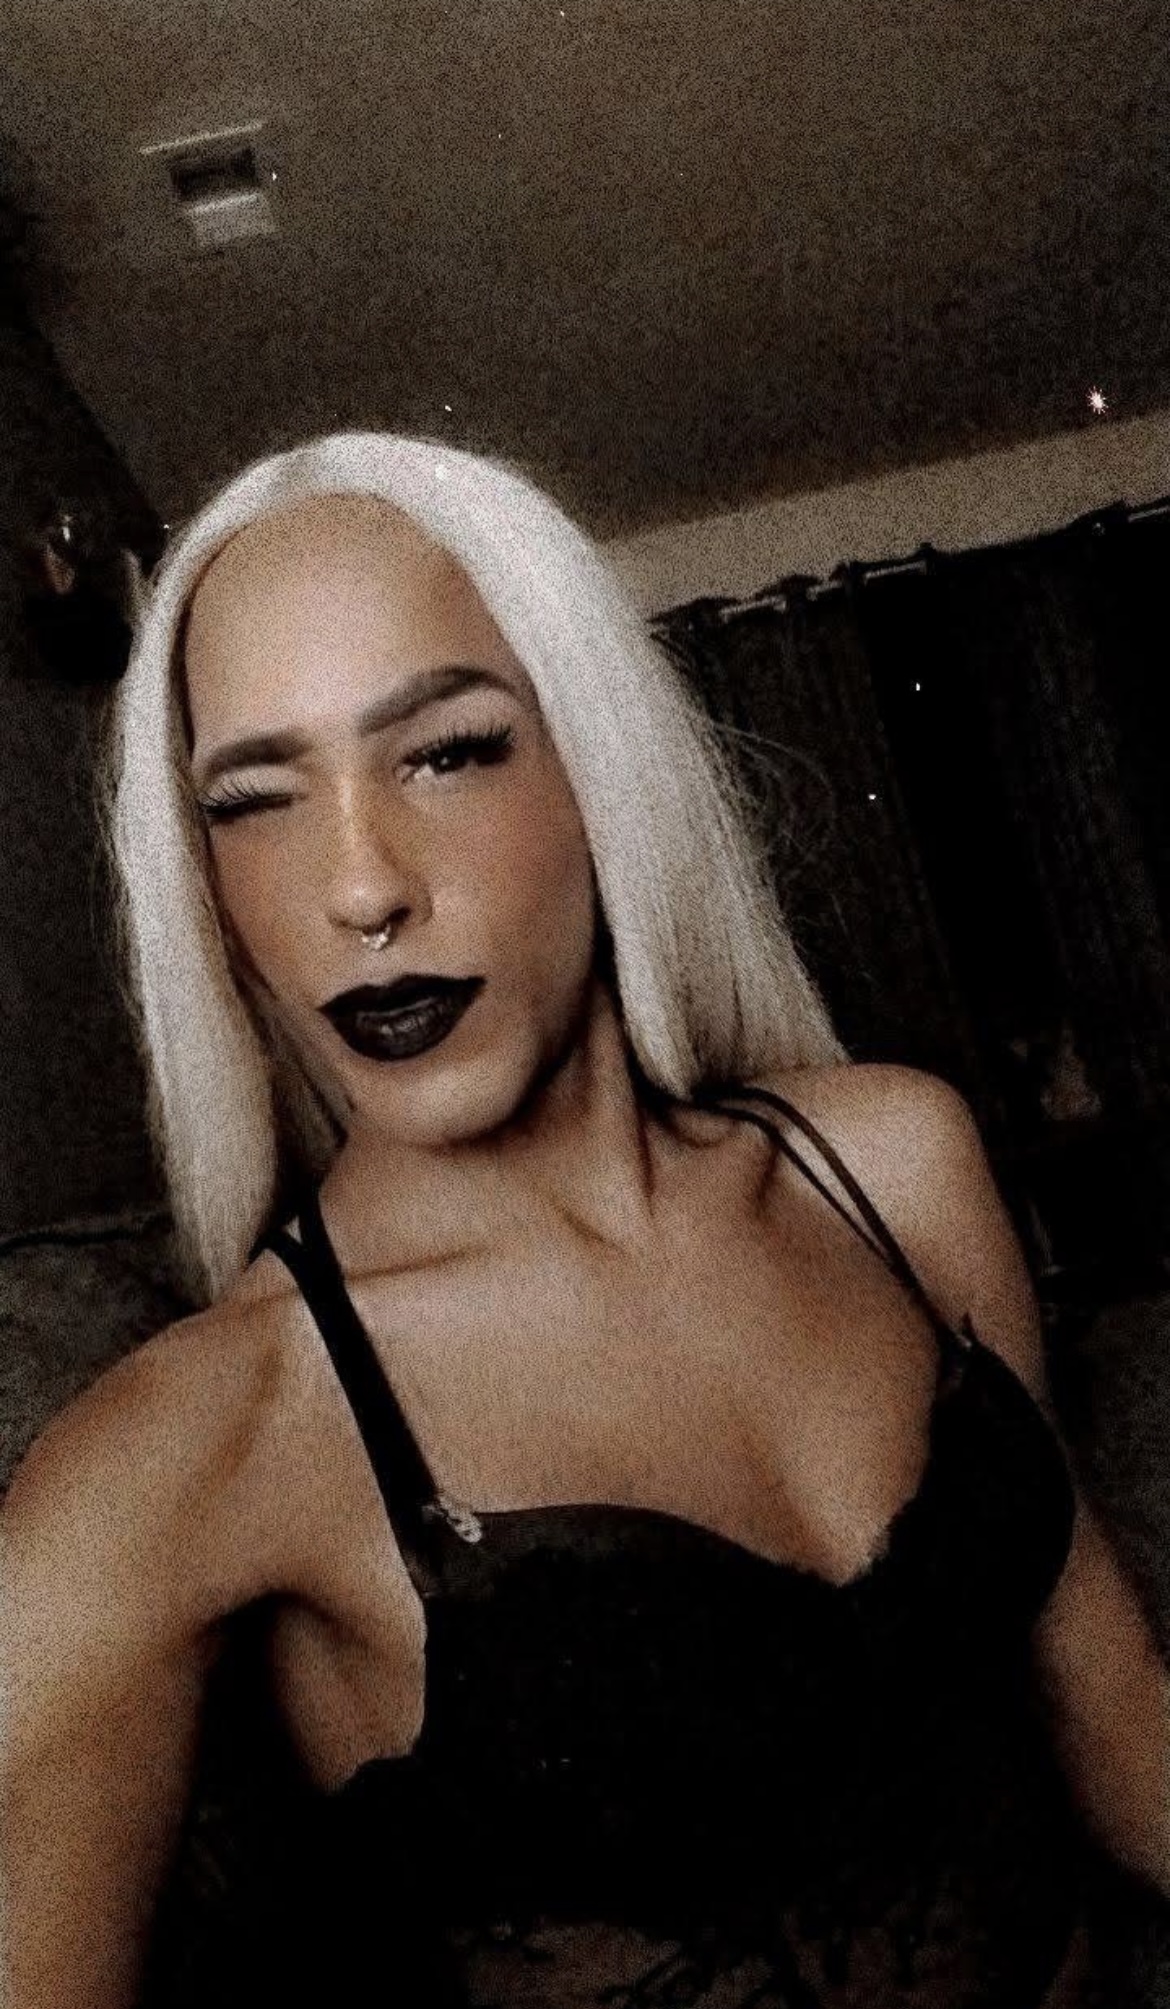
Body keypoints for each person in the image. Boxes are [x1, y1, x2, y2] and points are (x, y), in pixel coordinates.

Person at [4, 429, 1167, 2009]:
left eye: (445, 752)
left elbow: (1116, 1722)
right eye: (255, 801)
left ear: (595, 764)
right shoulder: (202, 1439)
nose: (360, 887)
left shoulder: (893, 1165)